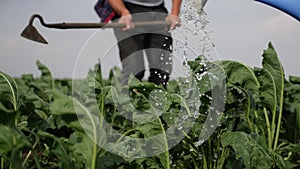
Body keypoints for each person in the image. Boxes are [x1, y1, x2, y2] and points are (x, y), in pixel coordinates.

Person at [107, 0, 182, 87]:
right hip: (127, 10)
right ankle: (128, 98)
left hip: (158, 10)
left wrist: (174, 13)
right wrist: (123, 11)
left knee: (162, 69)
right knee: (133, 69)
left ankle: (157, 98)